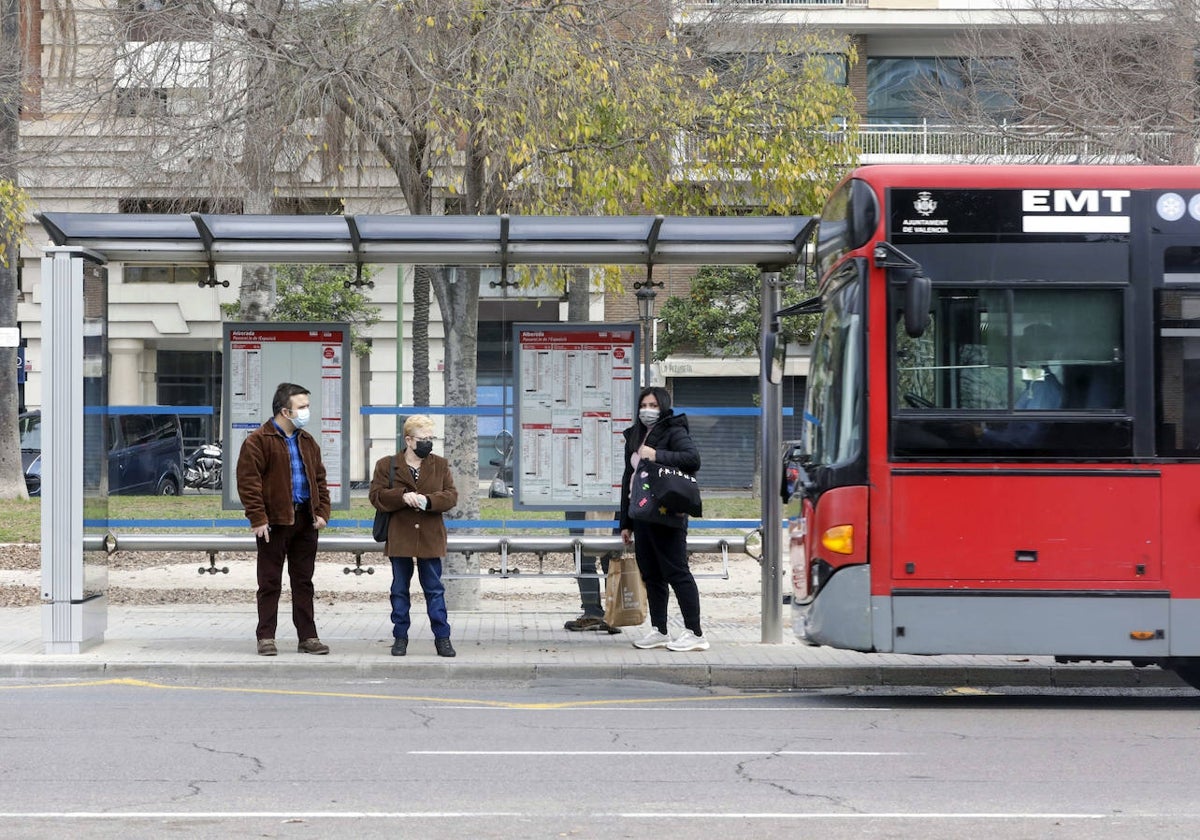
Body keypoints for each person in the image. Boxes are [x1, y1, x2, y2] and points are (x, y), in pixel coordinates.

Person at [236, 382, 331, 656]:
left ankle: (308, 637)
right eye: (302, 407)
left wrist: (322, 512)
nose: (306, 412)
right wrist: (258, 518)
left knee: (303, 582)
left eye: (307, 406)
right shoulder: (258, 441)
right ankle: (266, 637)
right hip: (273, 523)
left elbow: (320, 480)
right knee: (269, 582)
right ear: (284, 412)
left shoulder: (307, 441)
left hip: (305, 521)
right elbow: (248, 483)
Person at [619, 386, 707, 652]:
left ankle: (695, 632)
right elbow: (628, 479)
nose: (648, 410)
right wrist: (625, 522)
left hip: (668, 513)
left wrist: (657, 455)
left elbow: (692, 459)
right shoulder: (634, 435)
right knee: (652, 574)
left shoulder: (674, 430)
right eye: (644, 404)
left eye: (654, 405)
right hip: (643, 514)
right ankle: (659, 629)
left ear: (664, 407)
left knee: (676, 571)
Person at [369, 415, 459, 658]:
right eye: (423, 439)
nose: (428, 443)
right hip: (400, 536)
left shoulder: (440, 464)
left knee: (434, 590)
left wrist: (428, 500)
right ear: (409, 440)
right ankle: (400, 637)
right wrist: (401, 496)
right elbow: (376, 496)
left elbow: (451, 496)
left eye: (432, 438)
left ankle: (443, 638)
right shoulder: (386, 465)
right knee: (399, 589)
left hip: (430, 537)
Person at [563, 511, 618, 634]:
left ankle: (593, 612)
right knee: (612, 563)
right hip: (613, 503)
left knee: (585, 559)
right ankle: (614, 614)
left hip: (582, 504)